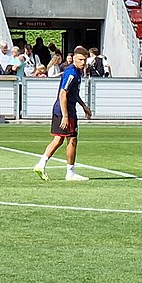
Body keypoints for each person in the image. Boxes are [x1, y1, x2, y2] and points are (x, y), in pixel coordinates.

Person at [34, 46, 92, 182]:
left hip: (63, 110)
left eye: (85, 60)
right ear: (74, 59)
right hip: (65, 111)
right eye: (80, 59)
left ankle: (41, 164)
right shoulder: (71, 73)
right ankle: (70, 172)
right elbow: (63, 94)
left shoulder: (76, 72)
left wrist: (84, 106)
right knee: (72, 139)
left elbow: (73, 93)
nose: (83, 63)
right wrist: (65, 116)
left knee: (59, 139)